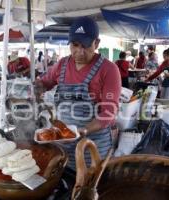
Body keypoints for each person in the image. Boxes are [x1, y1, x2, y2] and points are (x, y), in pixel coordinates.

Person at [35, 16, 121, 170]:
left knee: (89, 187)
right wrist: (36, 87)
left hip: (93, 147)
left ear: (97, 43)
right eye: (75, 45)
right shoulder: (62, 65)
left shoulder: (109, 70)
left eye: (86, 46)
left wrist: (85, 130)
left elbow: (109, 112)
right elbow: (45, 83)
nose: (79, 52)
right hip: (63, 144)